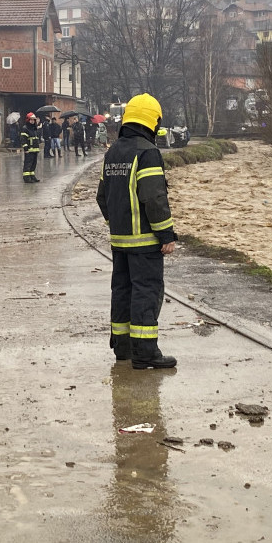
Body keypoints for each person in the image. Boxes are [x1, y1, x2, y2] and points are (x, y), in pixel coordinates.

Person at [96, 92, 177, 370]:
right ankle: (145, 352)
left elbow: (101, 196)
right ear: (152, 121)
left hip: (119, 241)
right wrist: (166, 234)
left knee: (122, 290)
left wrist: (115, 224)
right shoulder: (147, 152)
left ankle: (123, 349)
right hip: (145, 242)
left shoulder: (113, 151)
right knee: (146, 291)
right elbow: (154, 198)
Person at [19, 112, 41, 184]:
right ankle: (26, 177)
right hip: (29, 149)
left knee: (34, 164)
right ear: (28, 120)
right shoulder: (25, 128)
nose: (32, 121)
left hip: (35, 149)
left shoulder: (34, 128)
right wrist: (25, 148)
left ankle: (32, 176)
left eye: (33, 120)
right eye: (31, 120)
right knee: (28, 164)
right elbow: (23, 139)